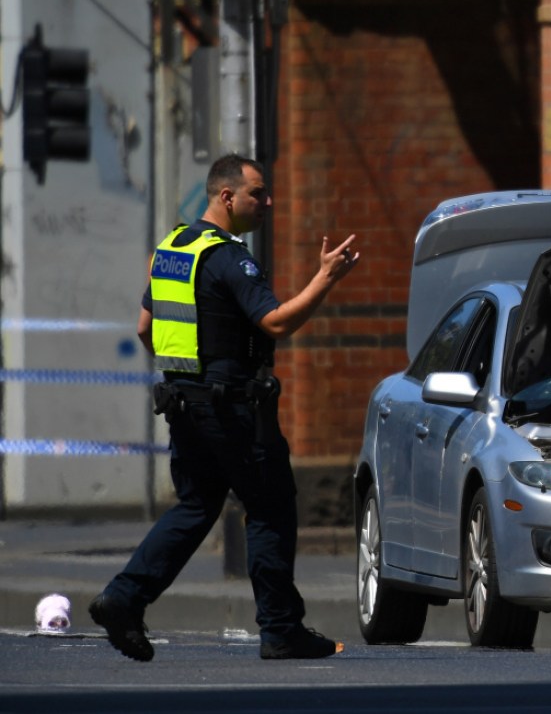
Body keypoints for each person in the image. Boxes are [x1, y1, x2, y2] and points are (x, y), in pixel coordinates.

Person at [89, 154, 360, 661]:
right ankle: (280, 629)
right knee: (270, 505)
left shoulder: (173, 249)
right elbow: (275, 322)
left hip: (184, 404)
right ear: (227, 196)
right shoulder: (230, 258)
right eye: (258, 193)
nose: (268, 203)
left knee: (196, 505)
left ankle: (125, 598)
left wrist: (186, 376)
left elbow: (146, 328)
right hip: (232, 408)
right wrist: (326, 279)